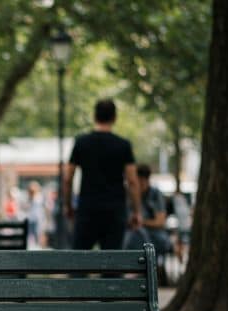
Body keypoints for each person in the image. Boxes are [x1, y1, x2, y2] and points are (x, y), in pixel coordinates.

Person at [63, 99, 142, 249]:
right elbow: (132, 181)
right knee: (113, 264)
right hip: (115, 210)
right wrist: (136, 211)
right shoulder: (123, 145)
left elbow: (68, 178)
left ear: (94, 116)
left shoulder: (81, 143)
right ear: (114, 118)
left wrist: (68, 206)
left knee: (79, 262)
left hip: (87, 209)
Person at [124, 164, 172, 256]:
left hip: (153, 234)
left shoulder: (155, 194)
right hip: (133, 233)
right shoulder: (129, 194)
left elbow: (160, 222)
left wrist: (142, 222)